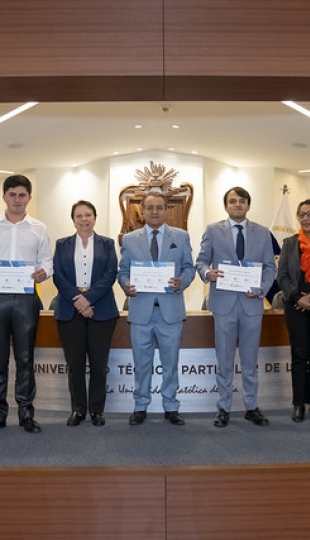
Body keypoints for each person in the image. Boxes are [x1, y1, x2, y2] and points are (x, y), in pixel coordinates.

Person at [196, 186, 276, 428]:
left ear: (249, 205)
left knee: (250, 360)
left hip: (252, 304)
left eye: (242, 201)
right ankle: (224, 407)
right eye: (233, 201)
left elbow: (270, 267)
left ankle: (251, 407)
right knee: (224, 359)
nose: (238, 205)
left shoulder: (263, 233)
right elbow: (200, 262)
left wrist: (261, 288)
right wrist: (208, 273)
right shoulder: (212, 230)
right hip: (223, 304)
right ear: (226, 206)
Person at [118, 190, 195, 426]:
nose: (154, 211)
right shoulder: (130, 239)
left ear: (165, 210)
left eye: (159, 207)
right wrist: (126, 285)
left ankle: (171, 406)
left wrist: (182, 281)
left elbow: (189, 268)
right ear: (142, 211)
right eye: (149, 207)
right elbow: (122, 272)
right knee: (141, 363)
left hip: (170, 311)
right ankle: (140, 405)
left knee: (170, 362)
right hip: (141, 311)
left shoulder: (181, 237)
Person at [53, 200, 119, 427]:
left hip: (101, 310)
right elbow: (58, 275)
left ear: (95, 217)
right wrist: (78, 300)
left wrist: (88, 299)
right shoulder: (62, 244)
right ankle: (78, 410)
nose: (84, 219)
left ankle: (96, 411)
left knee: (99, 364)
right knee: (75, 364)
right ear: (73, 220)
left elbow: (110, 274)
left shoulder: (107, 244)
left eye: (88, 214)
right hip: (70, 310)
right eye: (79, 215)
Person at [0, 174, 53, 432]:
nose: (17, 200)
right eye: (12, 195)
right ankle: (0, 412)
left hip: (25, 298)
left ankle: (25, 413)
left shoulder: (39, 228)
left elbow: (47, 260)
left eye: (22, 195)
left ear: (29, 198)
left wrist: (44, 271)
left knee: (25, 358)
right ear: (4, 197)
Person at [277, 199, 310, 422]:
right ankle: (298, 403)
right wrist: (299, 297)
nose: (306, 218)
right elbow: (282, 277)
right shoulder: (289, 243)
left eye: (309, 214)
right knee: (299, 355)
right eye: (302, 214)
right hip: (296, 307)